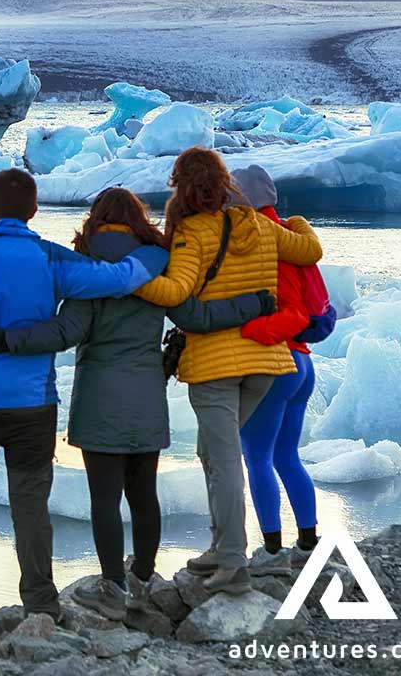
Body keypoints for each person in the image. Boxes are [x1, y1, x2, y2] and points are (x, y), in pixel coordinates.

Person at [0, 187, 273, 620]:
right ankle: (145, 578)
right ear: (138, 219)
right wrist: (255, 302)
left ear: (95, 218)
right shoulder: (157, 264)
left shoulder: (89, 269)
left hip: (99, 398)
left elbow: (63, 332)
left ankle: (112, 586)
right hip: (147, 392)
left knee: (105, 497)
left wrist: (5, 339)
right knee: (143, 491)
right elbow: (199, 318)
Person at [0, 168, 164, 639]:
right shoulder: (49, 259)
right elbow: (115, 279)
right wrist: (156, 255)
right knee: (30, 509)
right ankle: (41, 606)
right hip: (32, 407)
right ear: (33, 211)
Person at [132, 148, 322, 595]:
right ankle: (221, 547)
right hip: (266, 364)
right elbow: (309, 249)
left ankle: (234, 564)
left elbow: (177, 290)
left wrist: (129, 278)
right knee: (209, 451)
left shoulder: (191, 232)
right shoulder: (258, 224)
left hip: (216, 365)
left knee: (224, 460)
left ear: (182, 186)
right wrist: (292, 220)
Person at [230, 165, 324, 571]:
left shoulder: (254, 242)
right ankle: (308, 538)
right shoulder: (296, 238)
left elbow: (286, 308)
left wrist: (247, 328)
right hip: (304, 362)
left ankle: (270, 550)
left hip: (275, 360)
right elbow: (314, 307)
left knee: (258, 458)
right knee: (288, 455)